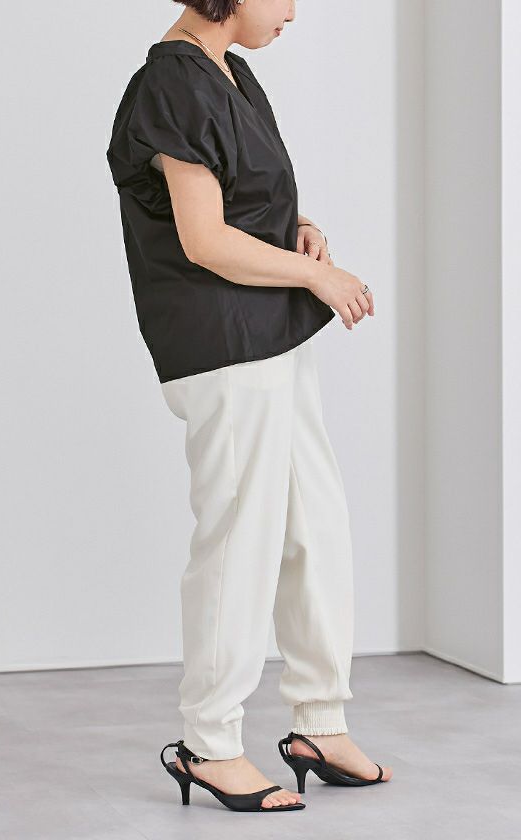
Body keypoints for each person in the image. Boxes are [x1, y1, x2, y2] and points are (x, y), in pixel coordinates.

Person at [106, 0, 392, 813]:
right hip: (224, 346)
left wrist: (300, 227)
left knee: (314, 528)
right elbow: (204, 241)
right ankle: (209, 744)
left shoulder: (229, 73)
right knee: (241, 539)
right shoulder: (171, 83)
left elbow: (244, 202)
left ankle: (320, 723)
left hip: (271, 336)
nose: (294, 10)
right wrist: (319, 277)